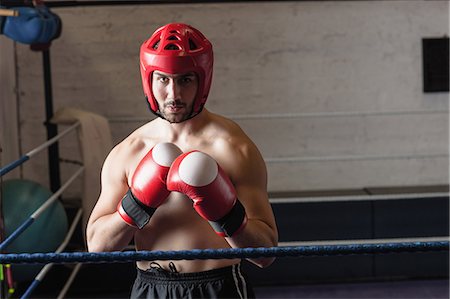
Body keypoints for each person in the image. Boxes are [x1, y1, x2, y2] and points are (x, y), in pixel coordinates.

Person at [86, 22, 278, 299]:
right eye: (163, 79)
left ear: (203, 80)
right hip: (151, 288)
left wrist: (225, 213)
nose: (173, 94)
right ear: (149, 80)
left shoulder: (234, 148)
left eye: (185, 80)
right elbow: (98, 247)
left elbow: (266, 254)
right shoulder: (128, 152)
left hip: (218, 287)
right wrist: (137, 203)